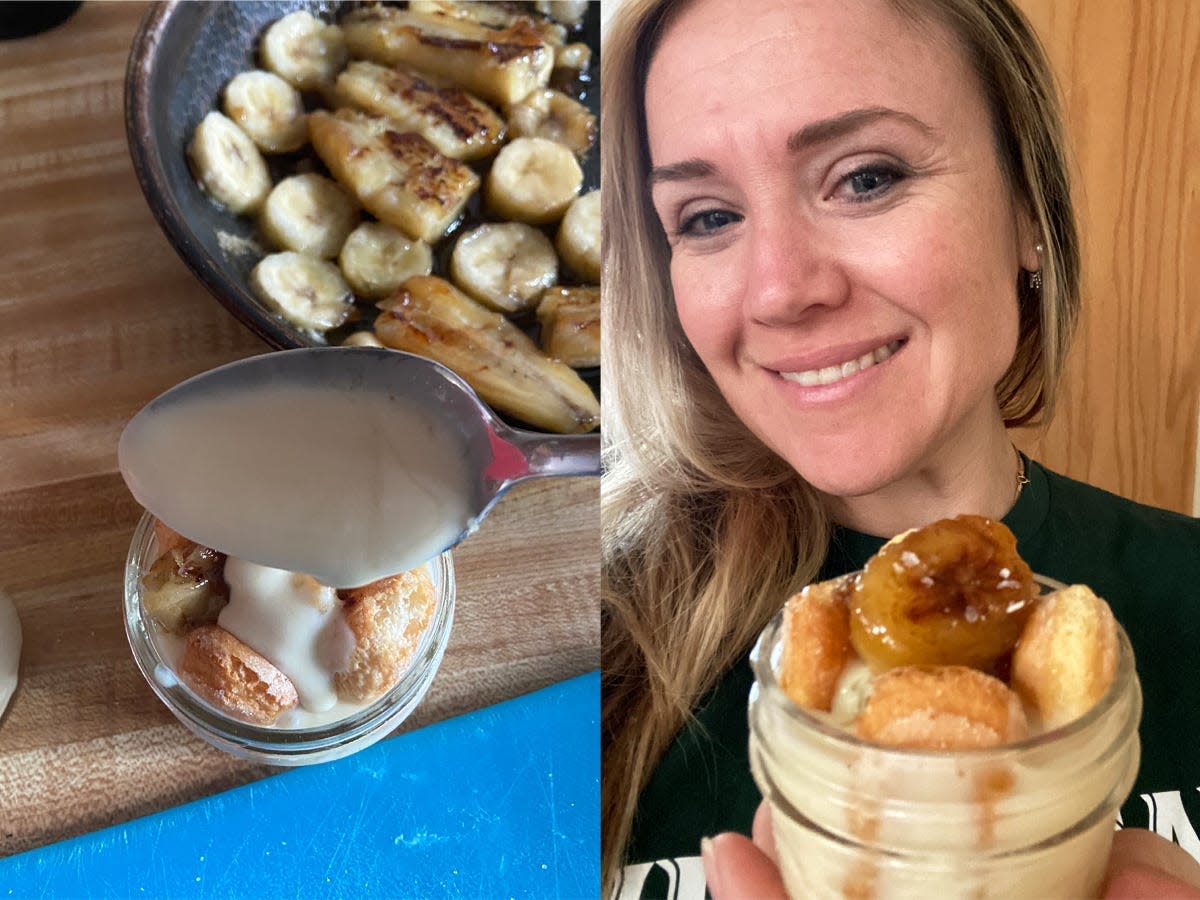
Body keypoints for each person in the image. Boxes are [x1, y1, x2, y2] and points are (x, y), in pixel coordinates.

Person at [599, 0, 1200, 897]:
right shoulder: (594, 652)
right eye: (708, 218)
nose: (778, 290)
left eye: (866, 177)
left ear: (1028, 208)